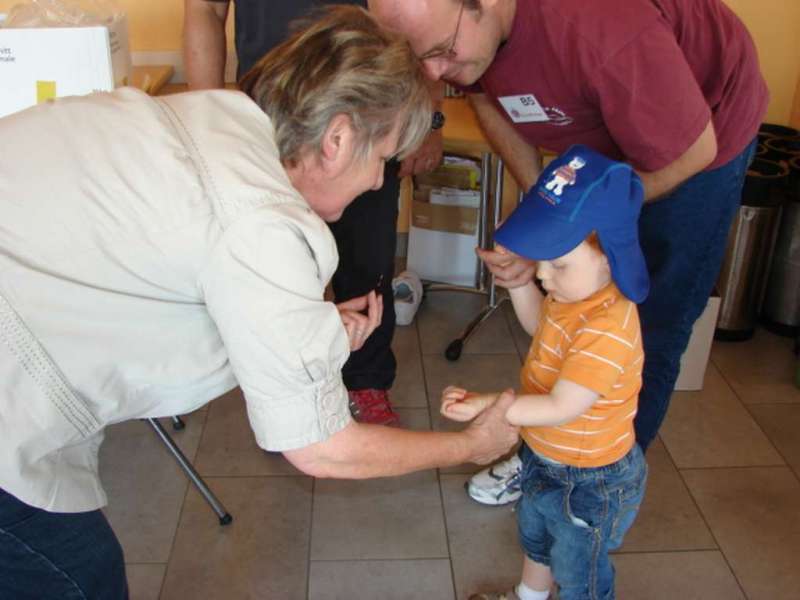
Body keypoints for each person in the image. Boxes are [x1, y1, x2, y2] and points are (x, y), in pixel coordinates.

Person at [0, 8, 519, 599]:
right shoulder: (261, 224)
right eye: (383, 159)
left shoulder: (219, 116)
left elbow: (195, 272)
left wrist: (313, 329)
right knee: (78, 577)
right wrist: (470, 445)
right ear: (339, 138)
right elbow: (322, 447)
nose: (380, 182)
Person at [370, 0, 767, 503]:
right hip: (612, 115)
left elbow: (693, 152)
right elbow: (488, 96)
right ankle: (549, 452)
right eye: (419, 58)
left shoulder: (602, 27)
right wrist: (553, 222)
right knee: (572, 299)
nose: (434, 73)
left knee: (646, 327)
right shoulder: (464, 38)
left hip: (696, 141)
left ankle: (600, 482)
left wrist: (584, 223)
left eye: (443, 52)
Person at [184, 0, 447, 425]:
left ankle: (365, 382)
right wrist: (211, 120)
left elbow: (421, 20)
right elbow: (204, 11)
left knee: (367, 260)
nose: (381, 178)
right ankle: (287, 389)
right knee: (272, 266)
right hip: (277, 106)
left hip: (368, 106)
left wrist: (429, 119)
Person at [440, 146, 649, 600]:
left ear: (609, 258)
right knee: (536, 541)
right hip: (547, 456)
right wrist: (518, 285)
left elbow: (561, 405)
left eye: (558, 264)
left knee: (579, 574)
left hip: (590, 479)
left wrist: (490, 405)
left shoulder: (607, 327)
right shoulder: (574, 294)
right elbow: (543, 329)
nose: (545, 276)